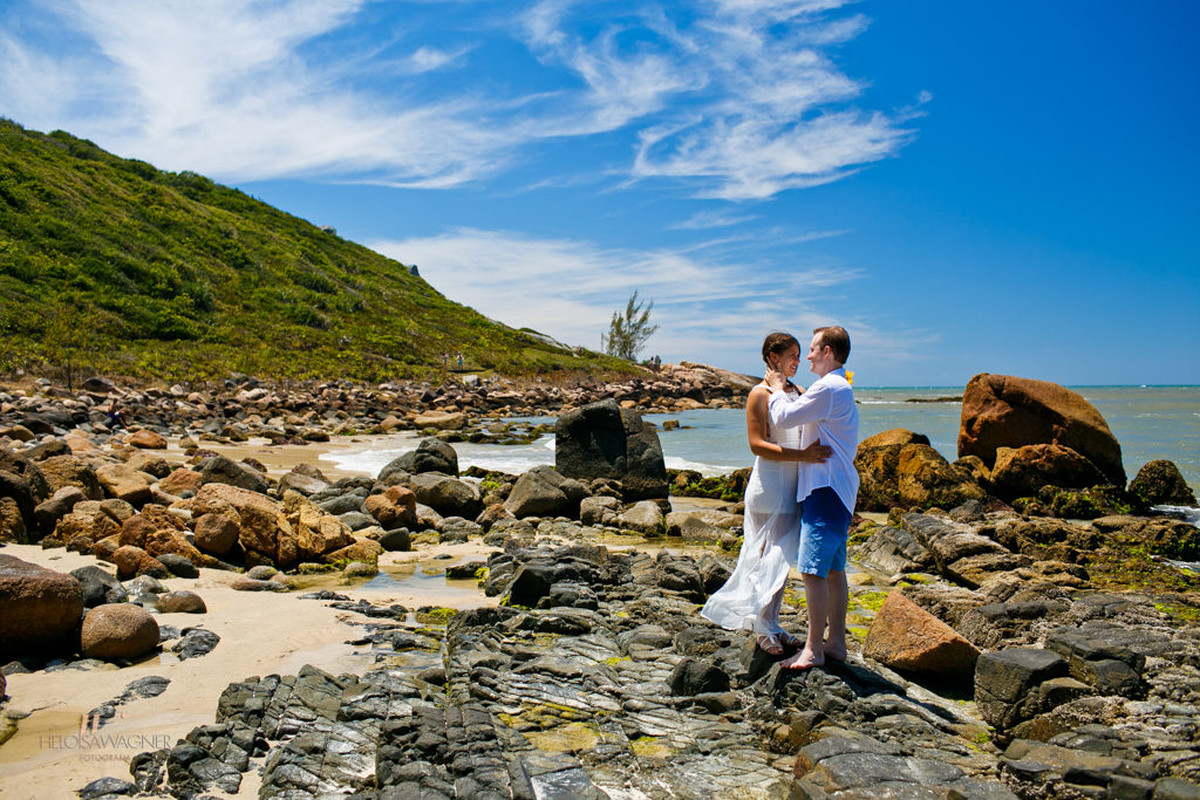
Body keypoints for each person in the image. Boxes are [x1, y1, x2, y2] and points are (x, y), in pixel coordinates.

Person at [701, 332, 832, 655]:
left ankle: (771, 623)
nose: (798, 361)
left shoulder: (798, 392)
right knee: (762, 558)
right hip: (768, 487)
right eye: (792, 355)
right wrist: (803, 456)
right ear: (774, 357)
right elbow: (757, 445)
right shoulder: (759, 394)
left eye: (800, 355)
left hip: (793, 488)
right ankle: (761, 627)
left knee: (781, 560)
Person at [764, 325, 858, 669]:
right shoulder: (838, 387)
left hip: (825, 488)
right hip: (837, 489)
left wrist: (777, 389)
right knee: (833, 569)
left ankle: (813, 649)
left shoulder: (829, 387)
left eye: (814, 349)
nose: (808, 357)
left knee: (812, 571)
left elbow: (783, 417)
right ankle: (836, 643)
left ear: (828, 352)